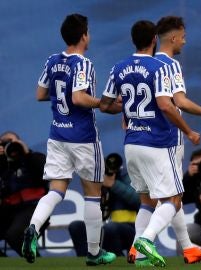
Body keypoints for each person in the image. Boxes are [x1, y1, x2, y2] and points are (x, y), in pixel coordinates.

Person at [99, 20, 201, 267]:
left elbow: (104, 105)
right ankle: (146, 239)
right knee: (173, 200)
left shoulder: (118, 67)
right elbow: (167, 105)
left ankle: (138, 252)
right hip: (157, 143)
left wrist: (127, 109)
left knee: (146, 201)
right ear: (154, 39)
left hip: (131, 144)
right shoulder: (160, 67)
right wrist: (188, 130)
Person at [21, 14, 116, 266]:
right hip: (83, 137)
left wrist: (58, 96)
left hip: (58, 135)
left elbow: (40, 94)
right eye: (89, 32)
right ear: (84, 35)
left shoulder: (52, 61)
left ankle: (33, 227)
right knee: (93, 194)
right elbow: (78, 98)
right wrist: (103, 103)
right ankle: (94, 253)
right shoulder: (83, 63)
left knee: (55, 190)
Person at [68, 153, 140, 257]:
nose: (110, 170)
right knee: (76, 226)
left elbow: (138, 200)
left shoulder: (128, 176)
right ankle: (87, 259)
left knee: (110, 228)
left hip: (130, 229)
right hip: (104, 226)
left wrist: (113, 184)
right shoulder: (99, 181)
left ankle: (117, 259)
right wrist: (97, 186)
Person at [0, 131, 48, 257]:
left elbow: (47, 174)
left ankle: (37, 264)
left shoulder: (34, 157)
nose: (9, 146)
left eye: (12, 142)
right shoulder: (2, 164)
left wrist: (26, 154)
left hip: (34, 207)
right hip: (8, 210)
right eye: (4, 143)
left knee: (16, 234)